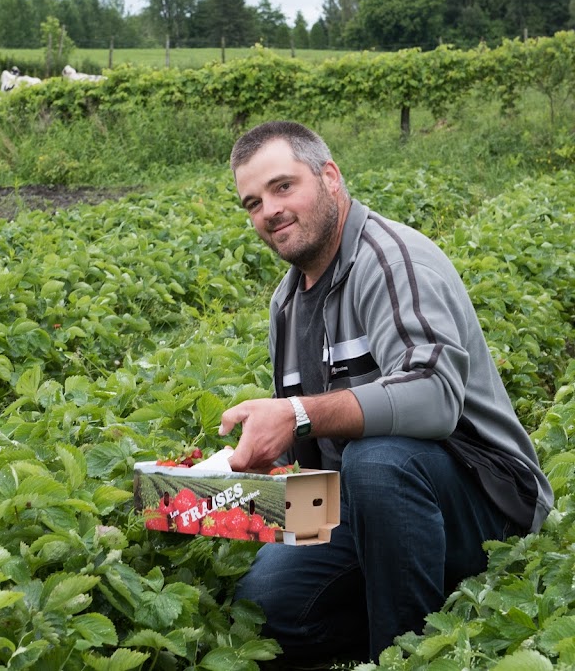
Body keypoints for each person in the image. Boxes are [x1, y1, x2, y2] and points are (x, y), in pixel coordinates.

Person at [218, 121, 553, 663]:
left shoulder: (393, 260)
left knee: (378, 459)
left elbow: (435, 395)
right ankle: (421, 608)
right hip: (367, 502)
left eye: (283, 187)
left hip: (484, 494)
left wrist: (299, 413)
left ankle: (409, 651)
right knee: (269, 609)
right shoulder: (285, 304)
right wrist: (244, 465)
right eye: (252, 203)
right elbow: (313, 447)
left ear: (329, 177)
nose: (269, 212)